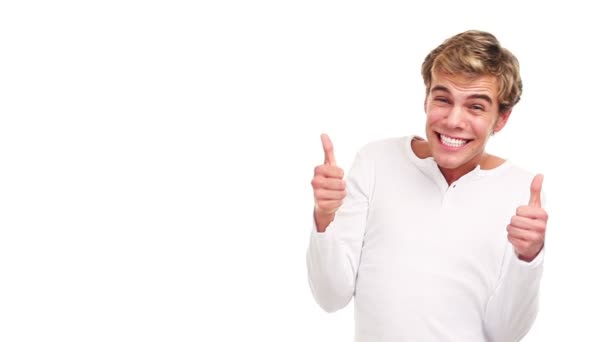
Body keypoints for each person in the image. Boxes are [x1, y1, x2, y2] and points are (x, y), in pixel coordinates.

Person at [306, 30, 548, 342]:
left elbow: (505, 333)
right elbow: (330, 296)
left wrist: (529, 257)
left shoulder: (519, 190)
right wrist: (325, 216)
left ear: (500, 119)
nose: (453, 120)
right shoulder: (376, 161)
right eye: (443, 99)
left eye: (475, 106)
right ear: (426, 98)